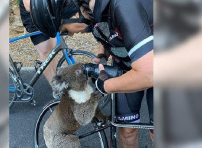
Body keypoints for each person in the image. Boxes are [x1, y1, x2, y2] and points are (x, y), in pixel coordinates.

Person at [30, 0, 153, 147]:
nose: (70, 35)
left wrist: (105, 86)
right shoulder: (94, 13)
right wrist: (103, 54)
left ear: (74, 12)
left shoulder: (122, 5)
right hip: (124, 65)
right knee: (127, 131)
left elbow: (149, 74)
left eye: (64, 30)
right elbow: (106, 31)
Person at [19, 0, 57, 83]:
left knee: (53, 50)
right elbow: (28, 6)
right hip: (33, 16)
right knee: (44, 51)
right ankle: (56, 89)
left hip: (47, 15)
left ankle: (56, 81)